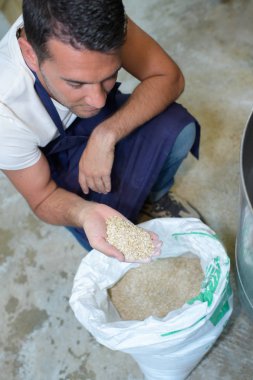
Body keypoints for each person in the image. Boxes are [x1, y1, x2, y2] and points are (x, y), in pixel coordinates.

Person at [0, 0, 201, 261]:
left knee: (177, 129)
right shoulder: (5, 112)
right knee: (107, 238)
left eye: (109, 75)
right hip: (54, 160)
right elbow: (42, 198)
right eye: (76, 83)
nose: (98, 100)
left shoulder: (99, 25)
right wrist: (83, 213)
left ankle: (154, 198)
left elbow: (169, 77)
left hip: (105, 128)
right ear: (30, 54)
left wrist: (107, 134)